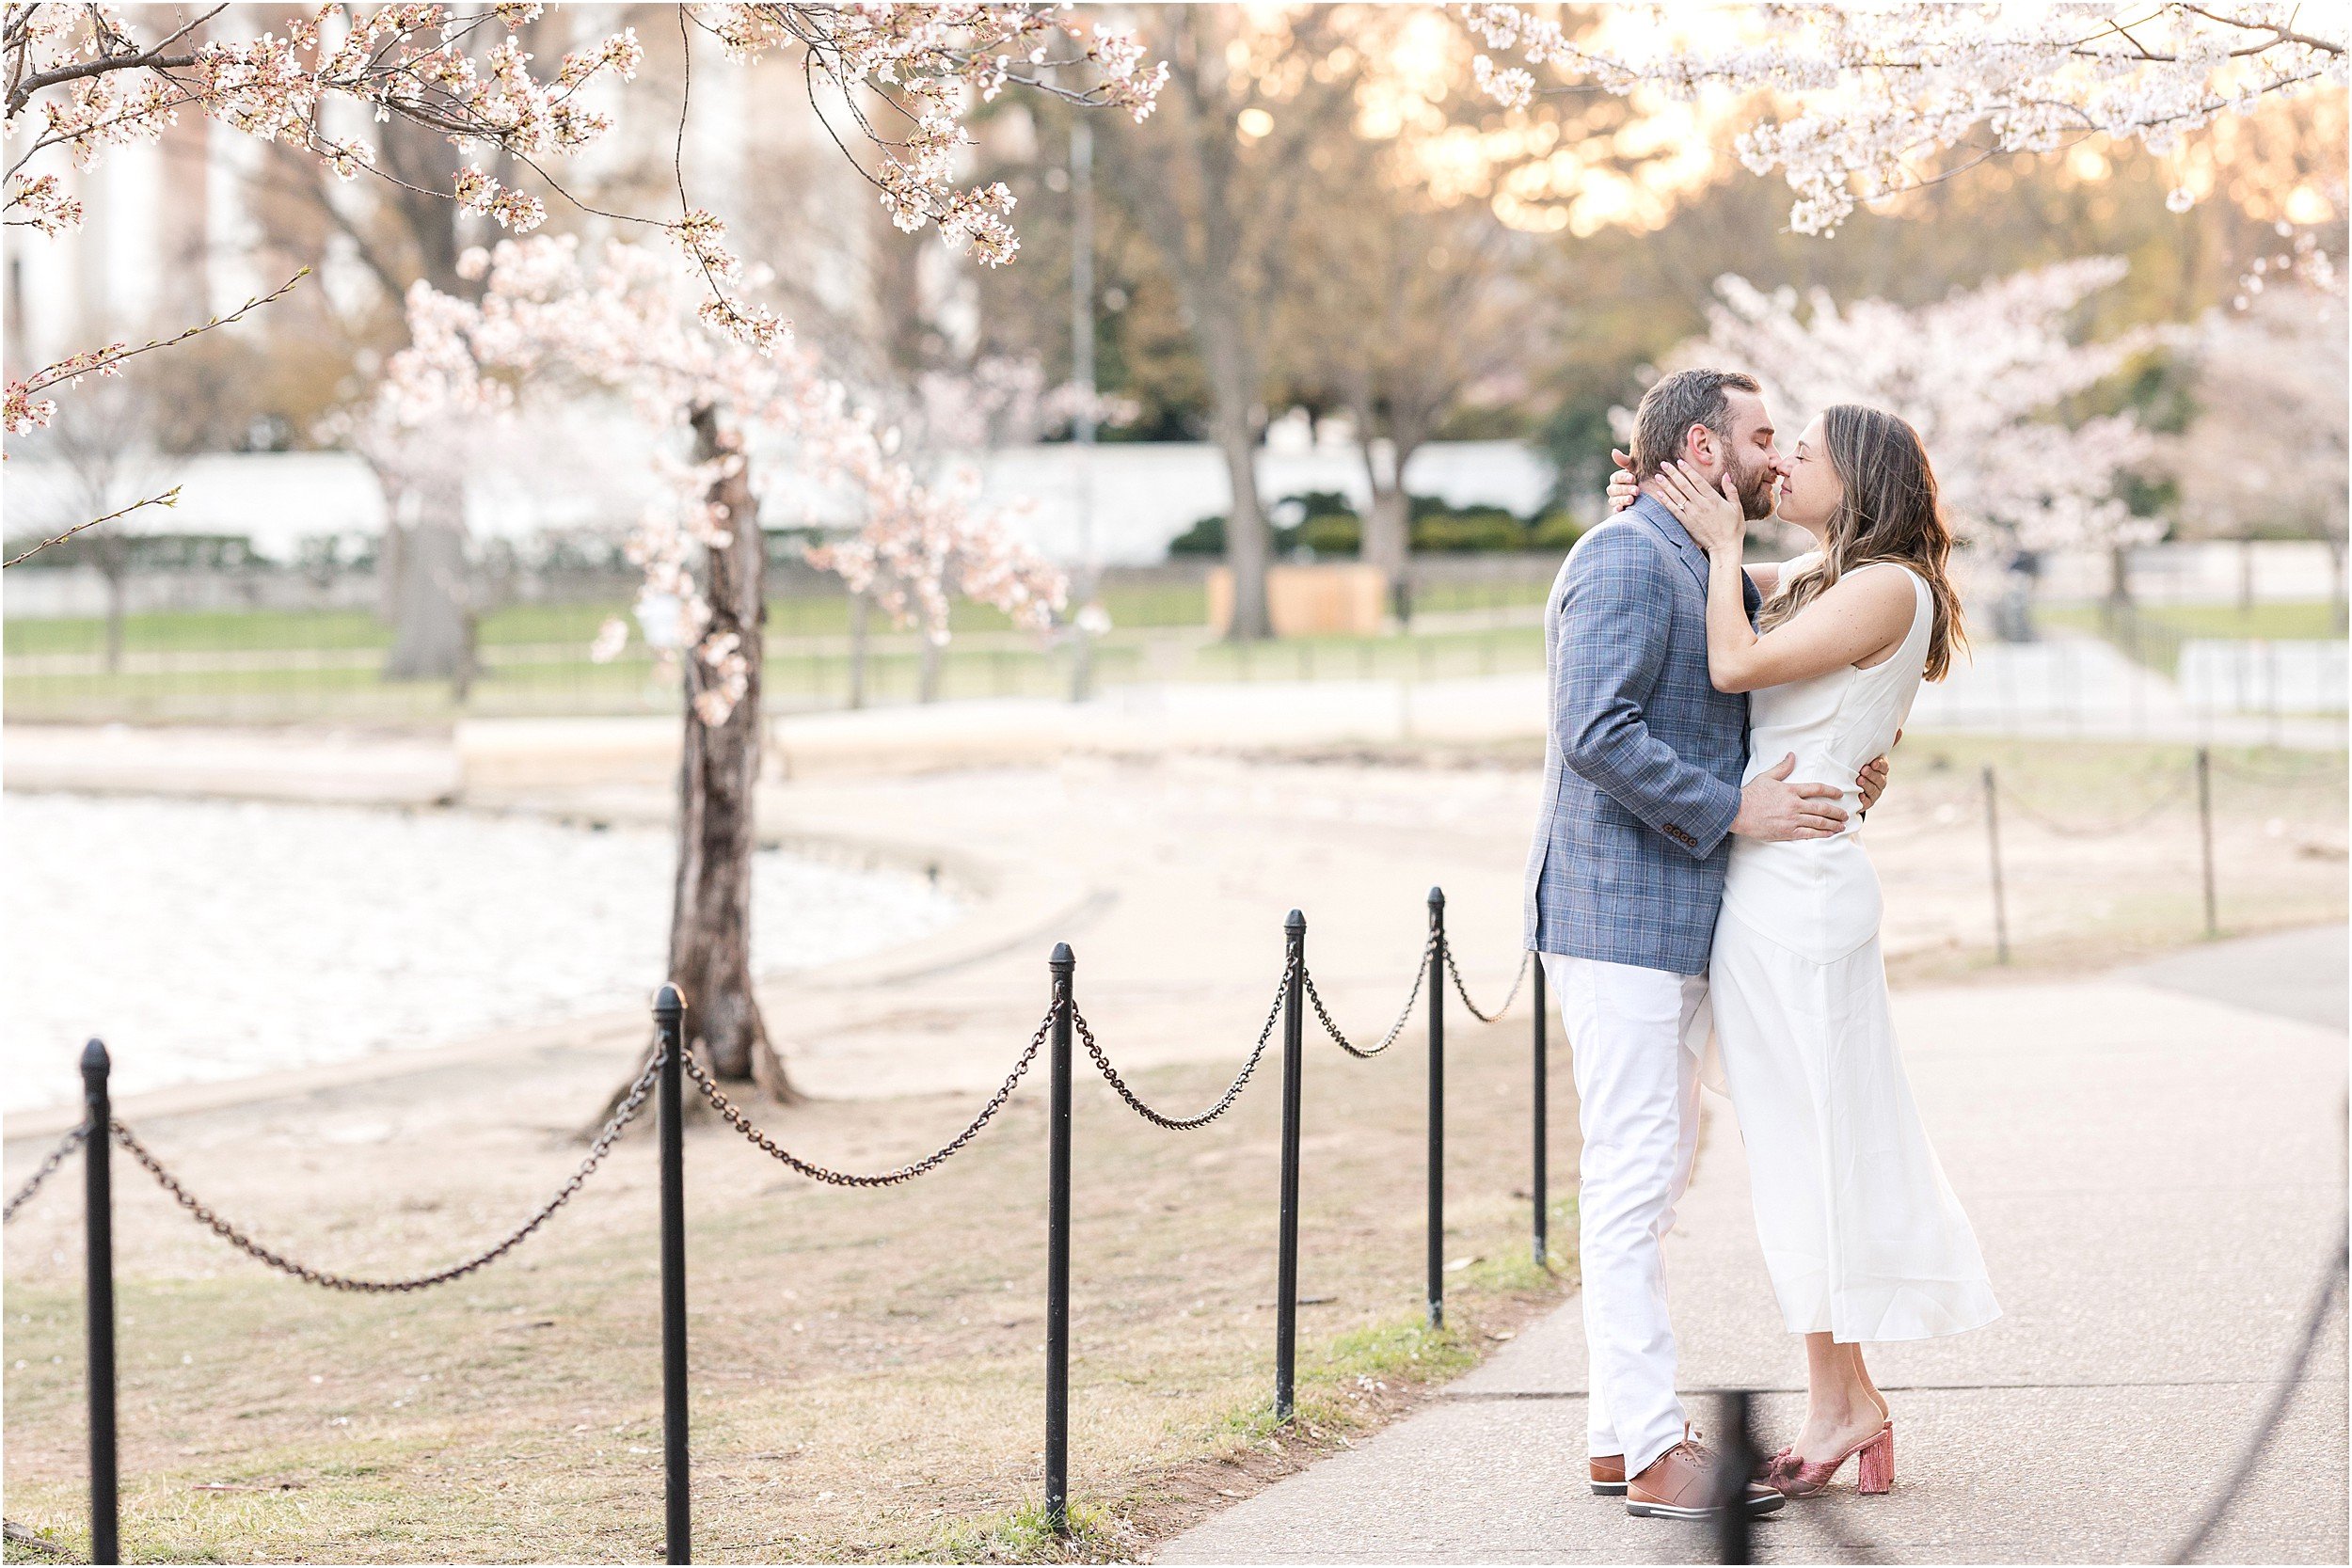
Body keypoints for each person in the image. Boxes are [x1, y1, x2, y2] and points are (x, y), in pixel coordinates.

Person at [1524, 368, 1890, 1521]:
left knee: (1653, 1171)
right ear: (1702, 443)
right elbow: (1596, 731)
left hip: (1679, 921)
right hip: (1619, 914)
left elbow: (1792, 638)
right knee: (1632, 1182)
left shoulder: (1692, 555)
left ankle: (1606, 1434)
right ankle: (1647, 1445)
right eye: (1760, 436)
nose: (1777, 457)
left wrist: (1840, 761)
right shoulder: (1627, 557)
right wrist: (1737, 806)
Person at [1618, 404, 2000, 1500]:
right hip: (1768, 881)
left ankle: (1848, 1399)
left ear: (1862, 477)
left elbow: (1733, 666)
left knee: (1817, 1149)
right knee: (1796, 1151)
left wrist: (1728, 546)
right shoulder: (1827, 573)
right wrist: (1656, 510)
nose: (1779, 460)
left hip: (1802, 893)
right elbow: (1722, 590)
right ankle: (1844, 1397)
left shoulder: (1885, 585)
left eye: (1804, 453)